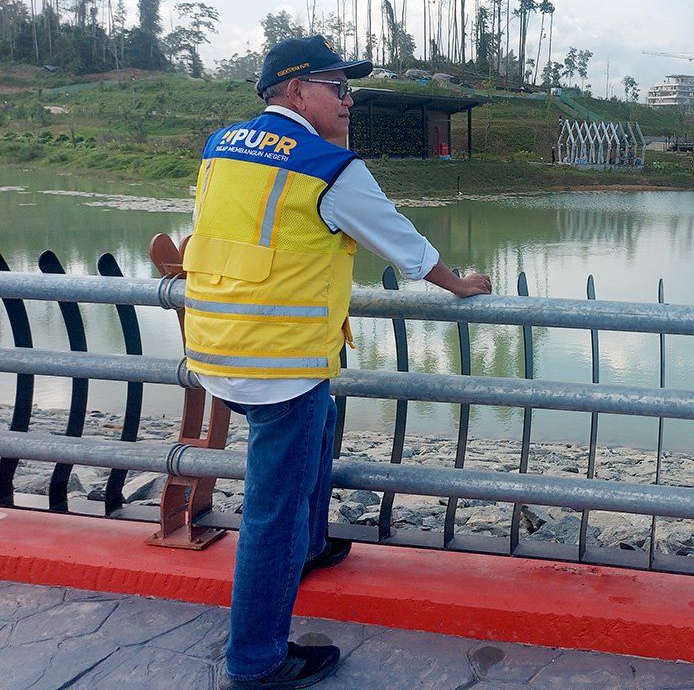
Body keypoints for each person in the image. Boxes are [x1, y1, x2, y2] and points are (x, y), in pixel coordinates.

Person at [182, 35, 491, 689]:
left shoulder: (222, 147)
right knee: (272, 512)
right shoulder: (327, 166)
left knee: (320, 429)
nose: (351, 100)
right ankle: (257, 660)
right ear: (297, 92)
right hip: (279, 365)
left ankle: (314, 544)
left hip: (215, 346)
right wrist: (458, 283)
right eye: (338, 87)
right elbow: (400, 240)